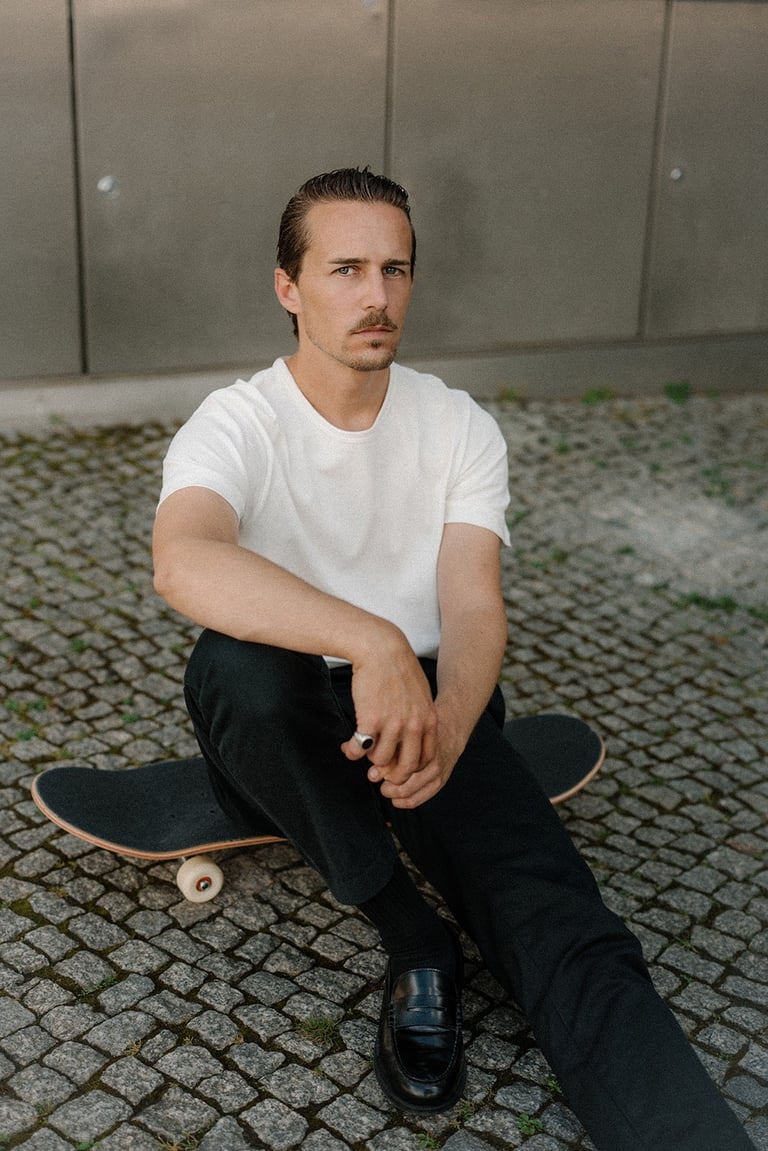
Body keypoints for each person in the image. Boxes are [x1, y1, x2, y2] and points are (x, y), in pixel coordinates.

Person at [153, 168, 754, 1149]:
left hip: (437, 703)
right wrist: (369, 636)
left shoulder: (460, 425)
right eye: (345, 268)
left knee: (566, 923)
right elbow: (183, 559)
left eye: (395, 269)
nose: (376, 295)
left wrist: (447, 725)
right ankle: (414, 937)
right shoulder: (239, 422)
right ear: (288, 286)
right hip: (289, 714)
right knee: (239, 670)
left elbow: (474, 605)